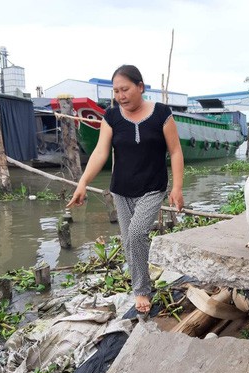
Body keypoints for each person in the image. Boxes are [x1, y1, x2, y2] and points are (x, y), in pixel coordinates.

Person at [67, 64, 184, 314]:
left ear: (140, 87)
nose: (120, 95)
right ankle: (140, 283)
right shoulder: (111, 117)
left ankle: (141, 290)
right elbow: (100, 152)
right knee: (129, 241)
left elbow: (175, 151)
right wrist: (83, 182)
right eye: (116, 91)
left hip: (153, 187)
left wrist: (178, 187)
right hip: (121, 189)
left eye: (125, 89)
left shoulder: (162, 113)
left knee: (136, 234)